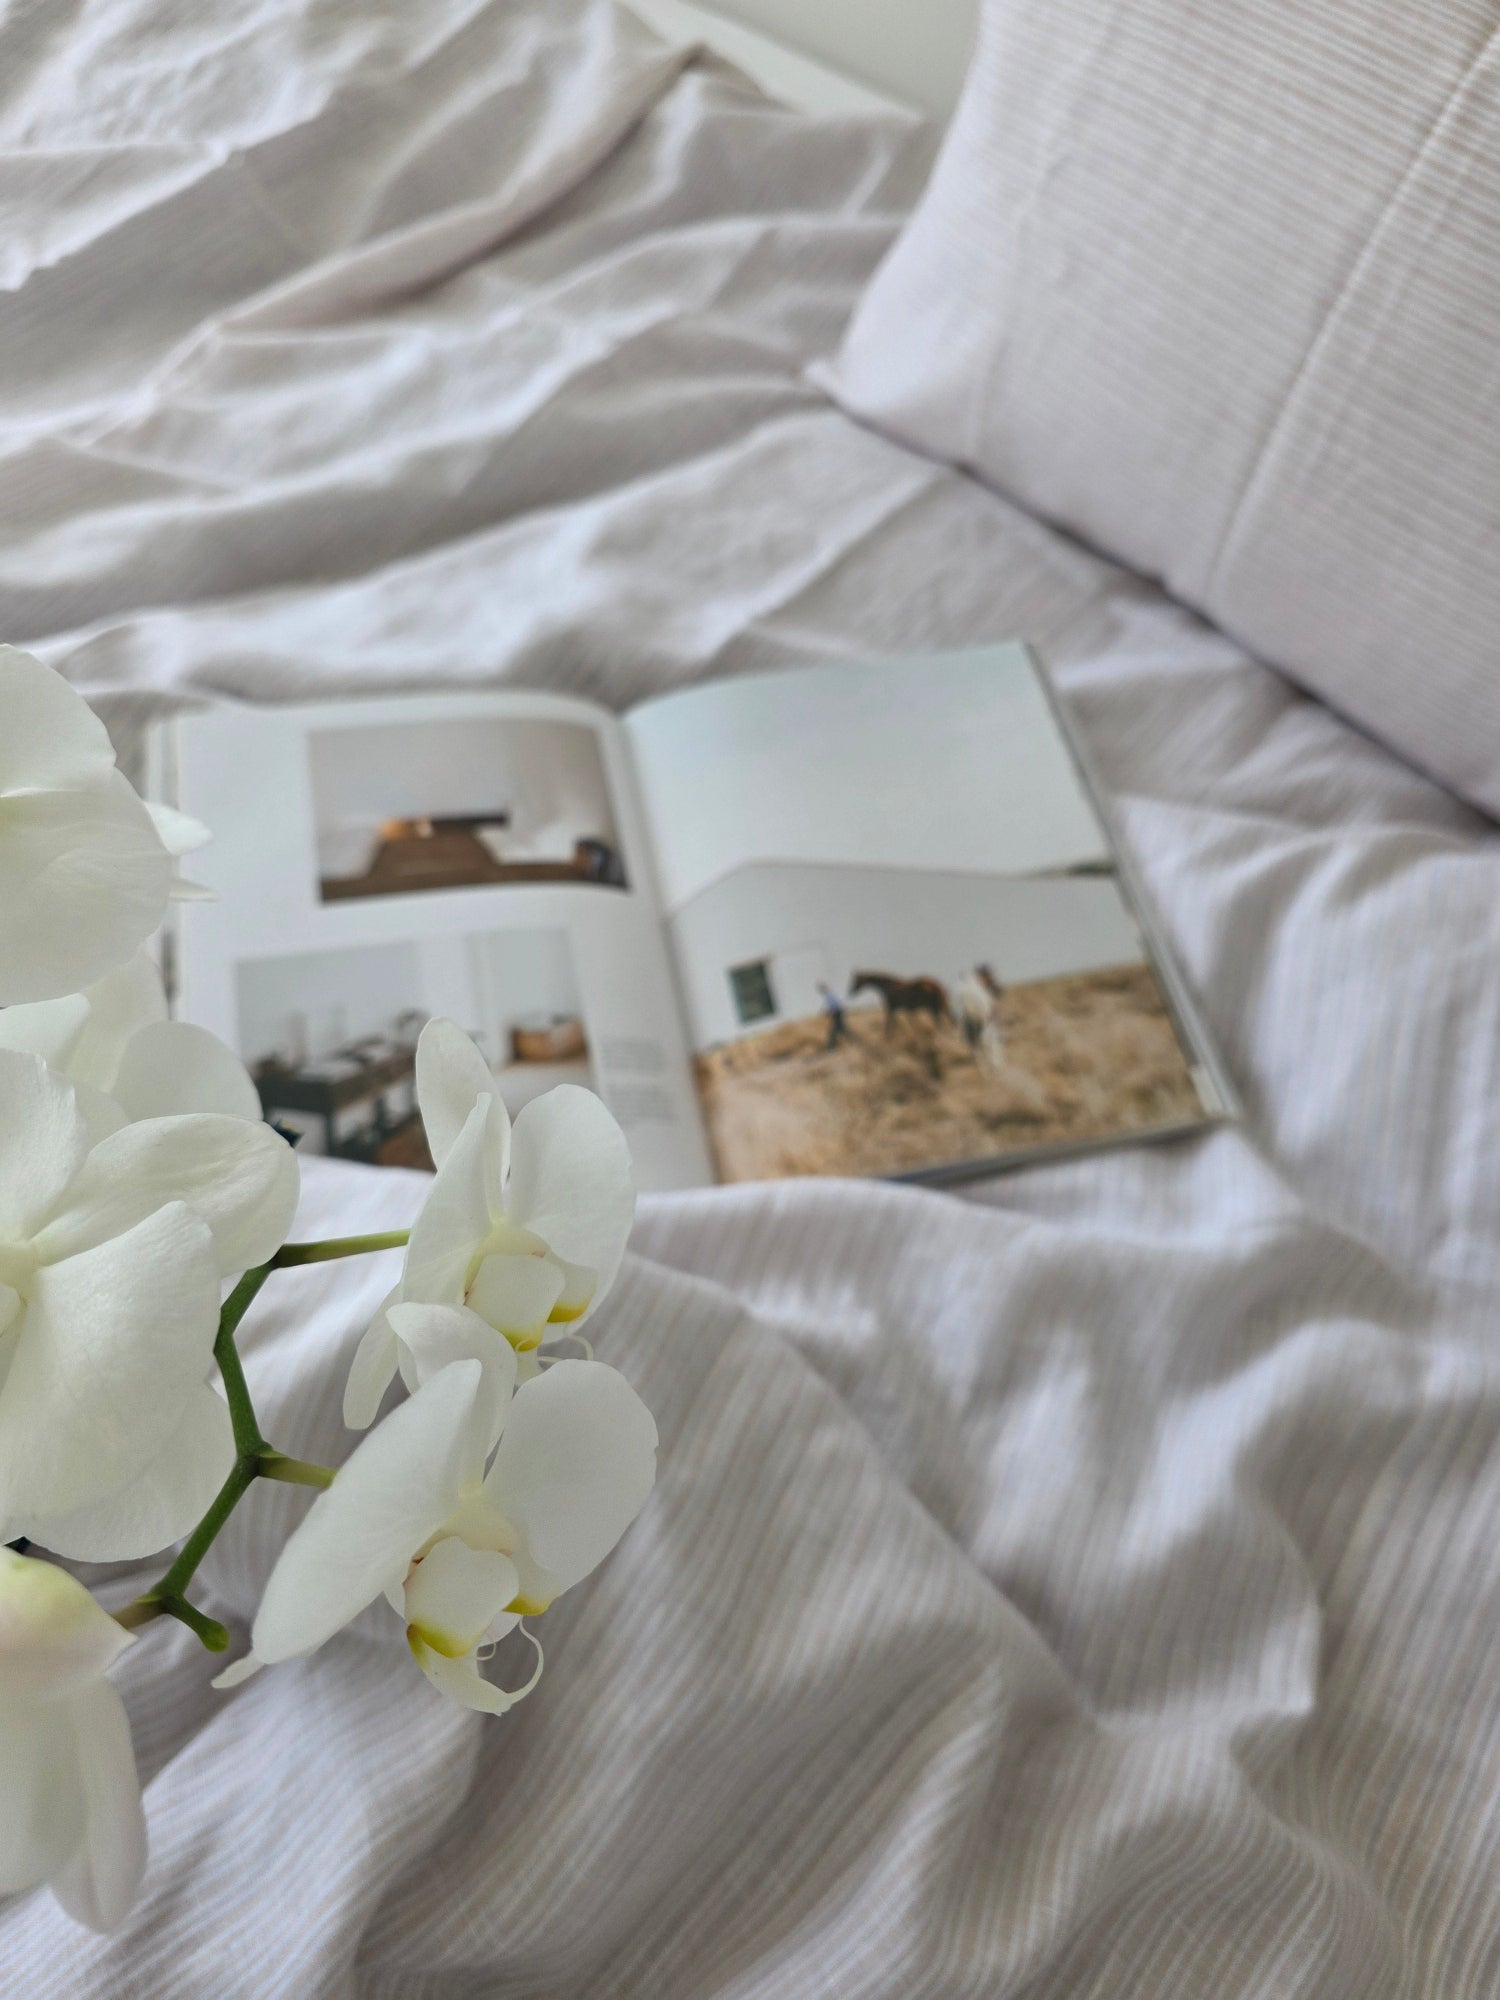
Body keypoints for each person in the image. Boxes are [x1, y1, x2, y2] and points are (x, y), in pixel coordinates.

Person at [818, 980, 850, 1051]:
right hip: (838, 1013)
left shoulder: (829, 995)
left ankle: (832, 1047)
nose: (820, 991)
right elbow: (833, 1005)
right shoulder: (829, 994)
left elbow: (834, 1005)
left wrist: (827, 1012)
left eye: (821, 989)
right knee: (842, 1029)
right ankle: (852, 1042)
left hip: (838, 1013)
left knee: (833, 1031)